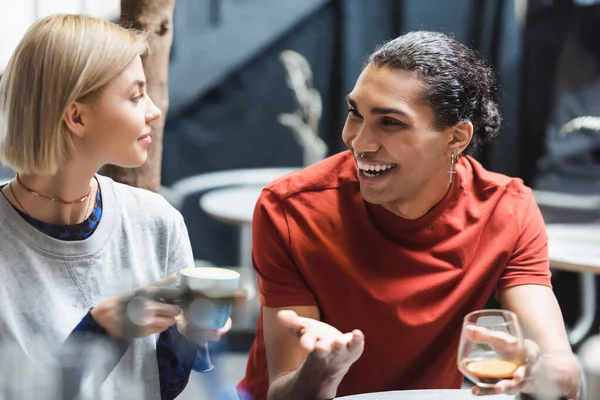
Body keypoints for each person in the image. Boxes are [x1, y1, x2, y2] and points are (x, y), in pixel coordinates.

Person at [238, 31, 581, 399]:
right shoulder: (290, 208)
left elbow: (564, 373)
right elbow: (282, 392)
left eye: (390, 122)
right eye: (356, 113)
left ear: (456, 138)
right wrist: (322, 371)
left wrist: (537, 372)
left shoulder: (506, 208)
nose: (359, 142)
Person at [0, 14, 230, 400]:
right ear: (76, 116)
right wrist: (102, 329)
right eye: (136, 95)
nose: (154, 111)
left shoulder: (157, 221)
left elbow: (158, 387)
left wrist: (188, 335)